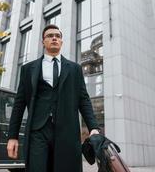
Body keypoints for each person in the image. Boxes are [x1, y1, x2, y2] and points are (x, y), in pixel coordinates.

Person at [7, 24, 99, 172]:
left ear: (61, 41)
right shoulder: (28, 69)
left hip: (67, 131)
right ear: (43, 42)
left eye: (57, 36)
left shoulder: (75, 69)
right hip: (38, 130)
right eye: (50, 36)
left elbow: (83, 99)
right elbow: (19, 104)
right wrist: (13, 136)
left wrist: (93, 127)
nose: (54, 38)